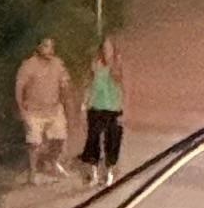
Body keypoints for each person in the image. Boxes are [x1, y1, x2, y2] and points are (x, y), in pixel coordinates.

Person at [15, 36, 72, 182]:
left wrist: (66, 98)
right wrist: (21, 109)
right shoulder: (28, 65)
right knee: (34, 143)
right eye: (46, 46)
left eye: (52, 46)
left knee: (60, 139)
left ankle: (52, 162)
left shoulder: (57, 64)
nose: (50, 50)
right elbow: (19, 88)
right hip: (33, 111)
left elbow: (65, 84)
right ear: (38, 47)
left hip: (54, 109)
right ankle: (33, 173)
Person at [82, 34, 126, 186]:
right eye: (105, 49)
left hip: (113, 108)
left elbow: (119, 80)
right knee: (93, 139)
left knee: (112, 140)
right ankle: (93, 173)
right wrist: (85, 102)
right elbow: (89, 84)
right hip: (96, 107)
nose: (107, 52)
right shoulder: (94, 65)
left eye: (110, 49)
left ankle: (109, 171)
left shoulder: (117, 65)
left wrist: (111, 64)